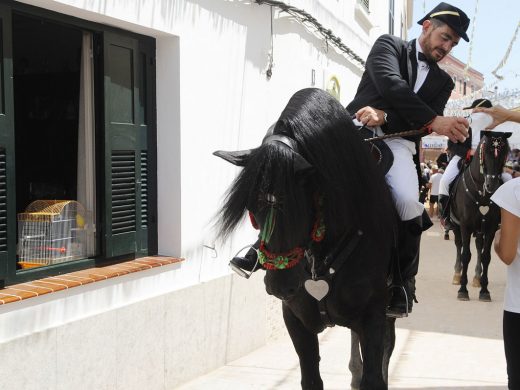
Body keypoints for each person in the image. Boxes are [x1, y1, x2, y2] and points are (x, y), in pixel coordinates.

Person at [345, 2, 470, 317]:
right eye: (445, 37)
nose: (447, 47)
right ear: (426, 26)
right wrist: (434, 120)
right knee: (302, 159)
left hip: (400, 143)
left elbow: (414, 122)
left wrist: (386, 116)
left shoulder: (444, 82)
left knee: (408, 201)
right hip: (356, 128)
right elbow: (391, 85)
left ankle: (403, 282)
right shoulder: (389, 44)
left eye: (453, 43)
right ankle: (263, 250)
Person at [490, 177, 520, 389]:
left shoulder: (514, 190)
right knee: (450, 178)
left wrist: (498, 239)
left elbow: (508, 254)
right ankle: (447, 208)